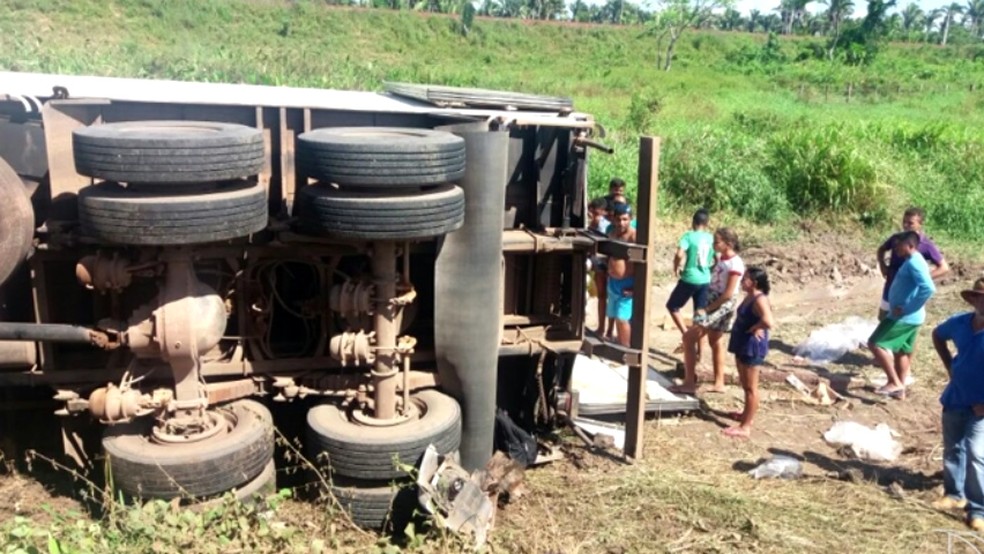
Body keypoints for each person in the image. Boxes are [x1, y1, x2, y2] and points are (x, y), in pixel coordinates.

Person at [931, 277, 984, 529]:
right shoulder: (961, 323)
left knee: (976, 453)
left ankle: (979, 510)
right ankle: (954, 494)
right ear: (973, 299)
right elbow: (937, 335)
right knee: (953, 447)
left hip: (981, 407)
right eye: (979, 297)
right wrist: (950, 367)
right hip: (956, 397)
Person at [671, 227, 744, 395]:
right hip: (714, 300)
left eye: (717, 242)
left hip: (721, 305)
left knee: (689, 339)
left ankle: (689, 383)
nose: (713, 245)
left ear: (729, 243)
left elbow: (728, 294)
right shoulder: (722, 258)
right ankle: (719, 382)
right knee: (715, 341)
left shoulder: (735, 264)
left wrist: (707, 309)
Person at [867, 230, 936, 400]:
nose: (896, 249)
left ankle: (894, 382)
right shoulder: (913, 260)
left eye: (899, 246)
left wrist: (907, 308)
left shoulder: (914, 263)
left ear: (911, 246)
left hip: (904, 317)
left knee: (875, 343)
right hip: (911, 317)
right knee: (901, 352)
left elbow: (928, 288)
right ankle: (900, 389)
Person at [723, 266, 773, 438]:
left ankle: (745, 427)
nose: (742, 281)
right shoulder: (749, 296)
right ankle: (746, 414)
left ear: (755, 282)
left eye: (746, 278)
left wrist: (756, 327)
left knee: (751, 388)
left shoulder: (759, 299)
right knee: (745, 385)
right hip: (742, 343)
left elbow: (768, 321)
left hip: (752, 346)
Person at [876, 206, 949, 320]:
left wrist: (923, 278)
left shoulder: (925, 245)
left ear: (920, 224)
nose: (906, 225)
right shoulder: (897, 239)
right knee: (883, 317)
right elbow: (882, 249)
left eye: (910, 223)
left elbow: (944, 267)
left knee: (901, 319)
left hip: (907, 292)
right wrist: (882, 265)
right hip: (890, 285)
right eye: (904, 222)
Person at [666, 209, 714, 353]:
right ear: (707, 224)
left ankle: (686, 335)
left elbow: (679, 254)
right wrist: (710, 270)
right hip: (705, 279)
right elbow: (717, 258)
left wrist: (676, 266)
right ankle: (700, 354)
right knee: (699, 315)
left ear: (693, 222)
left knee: (672, 306)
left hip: (689, 278)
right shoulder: (711, 238)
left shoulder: (688, 236)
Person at [606, 202, 637, 347]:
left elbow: (641, 265)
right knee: (614, 315)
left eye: (625, 219)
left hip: (627, 283)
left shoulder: (633, 236)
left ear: (630, 219)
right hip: (613, 283)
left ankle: (626, 350)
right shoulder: (611, 234)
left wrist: (635, 288)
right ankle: (619, 346)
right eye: (618, 219)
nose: (621, 223)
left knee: (622, 318)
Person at [587, 197, 610, 335]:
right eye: (592, 214)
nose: (594, 217)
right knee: (601, 296)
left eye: (597, 214)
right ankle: (601, 327)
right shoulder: (591, 225)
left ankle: (606, 329)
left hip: (603, 264)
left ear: (603, 212)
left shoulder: (605, 226)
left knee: (605, 296)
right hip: (596, 263)